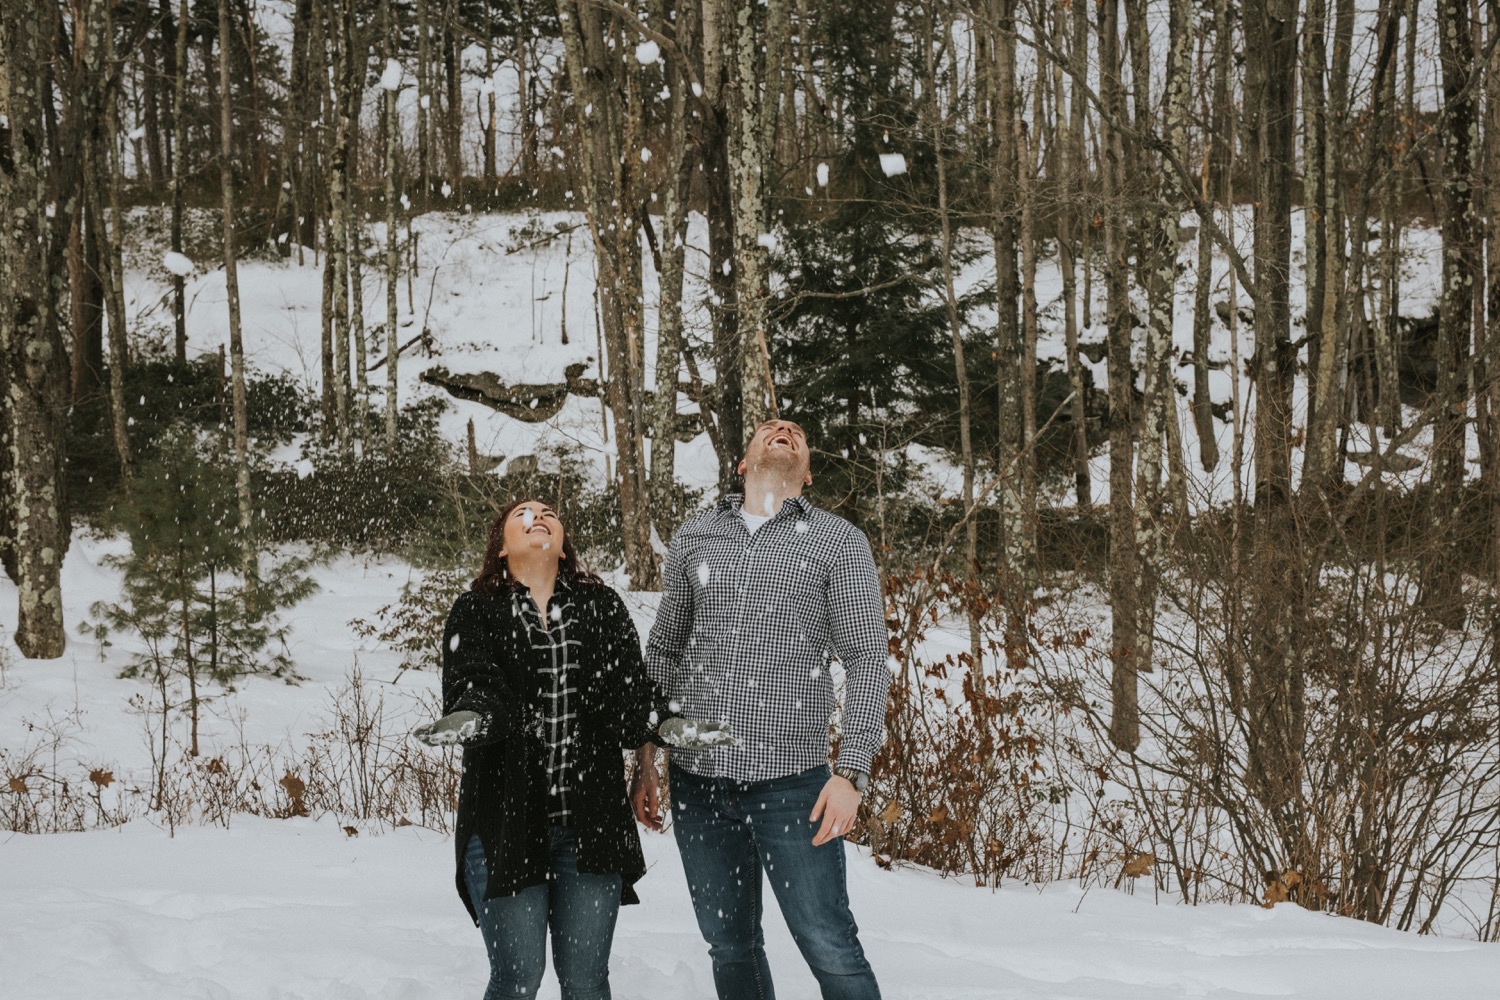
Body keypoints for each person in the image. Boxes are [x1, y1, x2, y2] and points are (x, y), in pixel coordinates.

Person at [413, 498, 726, 1000]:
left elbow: (628, 697)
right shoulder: (476, 610)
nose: (537, 518)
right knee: (517, 979)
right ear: (500, 547)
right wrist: (472, 718)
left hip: (590, 825)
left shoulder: (601, 607)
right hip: (504, 824)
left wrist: (664, 723)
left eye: (548, 514)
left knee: (585, 982)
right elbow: (476, 683)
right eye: (522, 515)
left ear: (563, 547)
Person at [632, 419, 891, 1000]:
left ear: (807, 472)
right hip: (697, 785)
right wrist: (646, 758)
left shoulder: (837, 541)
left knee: (829, 944)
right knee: (730, 946)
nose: (782, 430)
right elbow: (665, 651)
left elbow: (868, 660)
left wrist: (850, 774)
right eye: (768, 429)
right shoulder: (698, 534)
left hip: (793, 787)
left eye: (796, 432)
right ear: (743, 464)